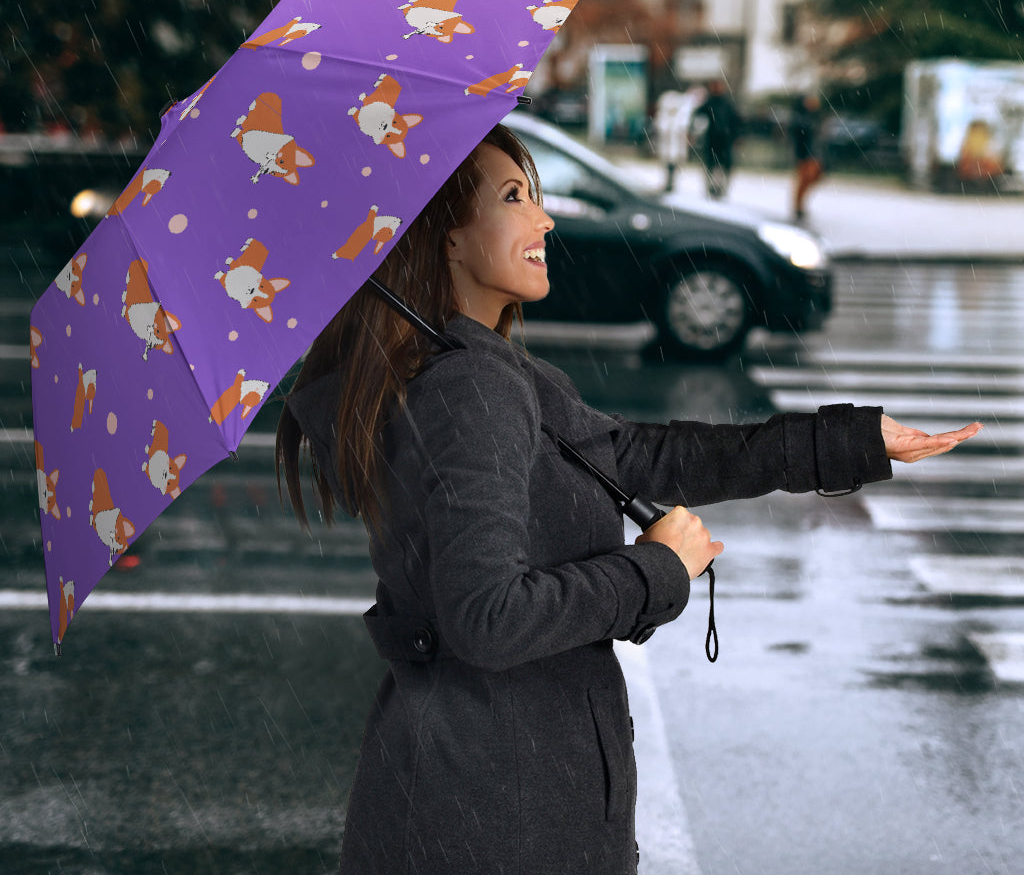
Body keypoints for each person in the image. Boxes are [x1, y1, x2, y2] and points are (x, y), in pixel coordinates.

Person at [276, 124, 980, 875]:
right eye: (515, 198)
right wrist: (654, 570)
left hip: (484, 794)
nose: (544, 219)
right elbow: (487, 618)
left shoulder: (484, 372)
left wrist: (849, 441)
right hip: (496, 814)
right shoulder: (469, 389)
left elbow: (643, 456)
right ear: (444, 239)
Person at [691, 78, 741, 199]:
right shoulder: (709, 103)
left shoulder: (727, 104)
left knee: (722, 166)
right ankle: (711, 187)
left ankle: (720, 188)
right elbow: (697, 117)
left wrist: (736, 137)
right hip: (712, 139)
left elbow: (735, 121)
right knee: (711, 164)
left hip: (725, 140)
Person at [791, 93, 824, 221]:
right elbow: (800, 134)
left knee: (812, 178)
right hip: (805, 154)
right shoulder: (801, 118)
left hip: (813, 153)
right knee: (804, 180)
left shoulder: (814, 117)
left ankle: (800, 205)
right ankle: (798, 206)